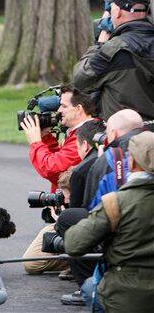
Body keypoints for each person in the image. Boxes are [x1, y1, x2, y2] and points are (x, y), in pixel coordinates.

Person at [55, 109, 144, 305]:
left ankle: (90, 284)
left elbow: (92, 214)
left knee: (71, 218)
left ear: (112, 134)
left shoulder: (109, 160)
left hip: (125, 271)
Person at [64, 131, 154, 313]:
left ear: (133, 163)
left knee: (90, 286)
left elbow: (74, 244)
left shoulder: (116, 203)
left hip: (125, 297)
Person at [73, 0, 154, 123]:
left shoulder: (114, 49)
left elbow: (80, 79)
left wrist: (100, 43)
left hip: (123, 137)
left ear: (117, 12)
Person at [21, 85, 95, 193]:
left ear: (78, 109)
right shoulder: (83, 131)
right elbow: (60, 159)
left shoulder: (84, 136)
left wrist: (35, 142)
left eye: (64, 106)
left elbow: (53, 170)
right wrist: (45, 137)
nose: (59, 110)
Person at [83, 109, 144, 209]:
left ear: (113, 133)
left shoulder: (109, 159)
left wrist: (101, 160)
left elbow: (91, 205)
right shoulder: (150, 148)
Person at [22, 170, 72, 276]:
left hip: (80, 229)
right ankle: (73, 262)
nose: (65, 200)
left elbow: (48, 167)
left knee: (32, 263)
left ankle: (79, 262)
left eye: (67, 196)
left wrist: (64, 220)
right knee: (30, 263)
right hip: (69, 226)